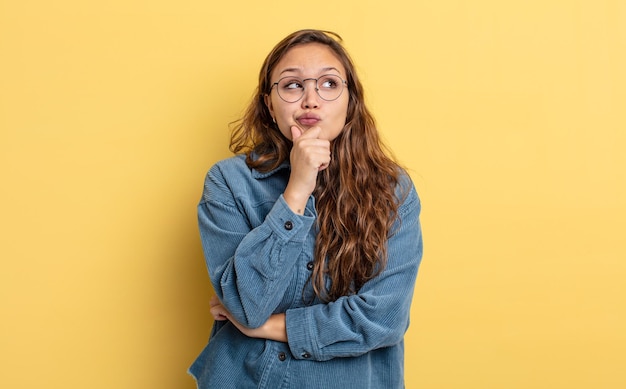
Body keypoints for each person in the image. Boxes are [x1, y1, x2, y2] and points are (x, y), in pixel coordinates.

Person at [189, 29, 423, 389]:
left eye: (329, 84)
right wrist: (297, 190)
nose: (311, 100)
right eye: (293, 85)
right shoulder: (229, 182)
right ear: (269, 104)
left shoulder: (393, 192)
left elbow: (383, 318)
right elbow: (247, 305)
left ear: (351, 101)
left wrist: (268, 327)